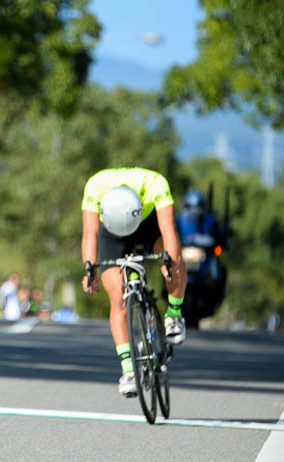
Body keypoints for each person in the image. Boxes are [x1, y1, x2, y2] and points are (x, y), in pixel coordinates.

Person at [80, 167, 187, 397]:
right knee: (117, 296)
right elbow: (90, 232)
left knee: (175, 262)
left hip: (149, 224)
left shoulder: (156, 184)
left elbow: (168, 228)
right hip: (113, 232)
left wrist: (169, 262)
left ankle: (174, 313)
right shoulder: (95, 187)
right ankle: (128, 369)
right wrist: (90, 270)